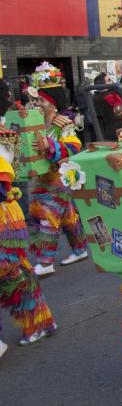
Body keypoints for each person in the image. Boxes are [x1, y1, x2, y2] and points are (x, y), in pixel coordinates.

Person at [0, 79, 57, 357]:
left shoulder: (4, 134)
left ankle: (37, 321)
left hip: (4, 215)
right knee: (12, 273)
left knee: (12, 272)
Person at [26, 62, 87, 277]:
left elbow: (74, 147)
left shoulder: (63, 123)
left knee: (47, 215)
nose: (37, 104)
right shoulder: (35, 123)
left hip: (60, 178)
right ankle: (80, 248)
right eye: (36, 100)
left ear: (52, 104)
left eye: (41, 100)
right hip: (42, 178)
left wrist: (50, 146)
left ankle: (45, 261)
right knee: (68, 216)